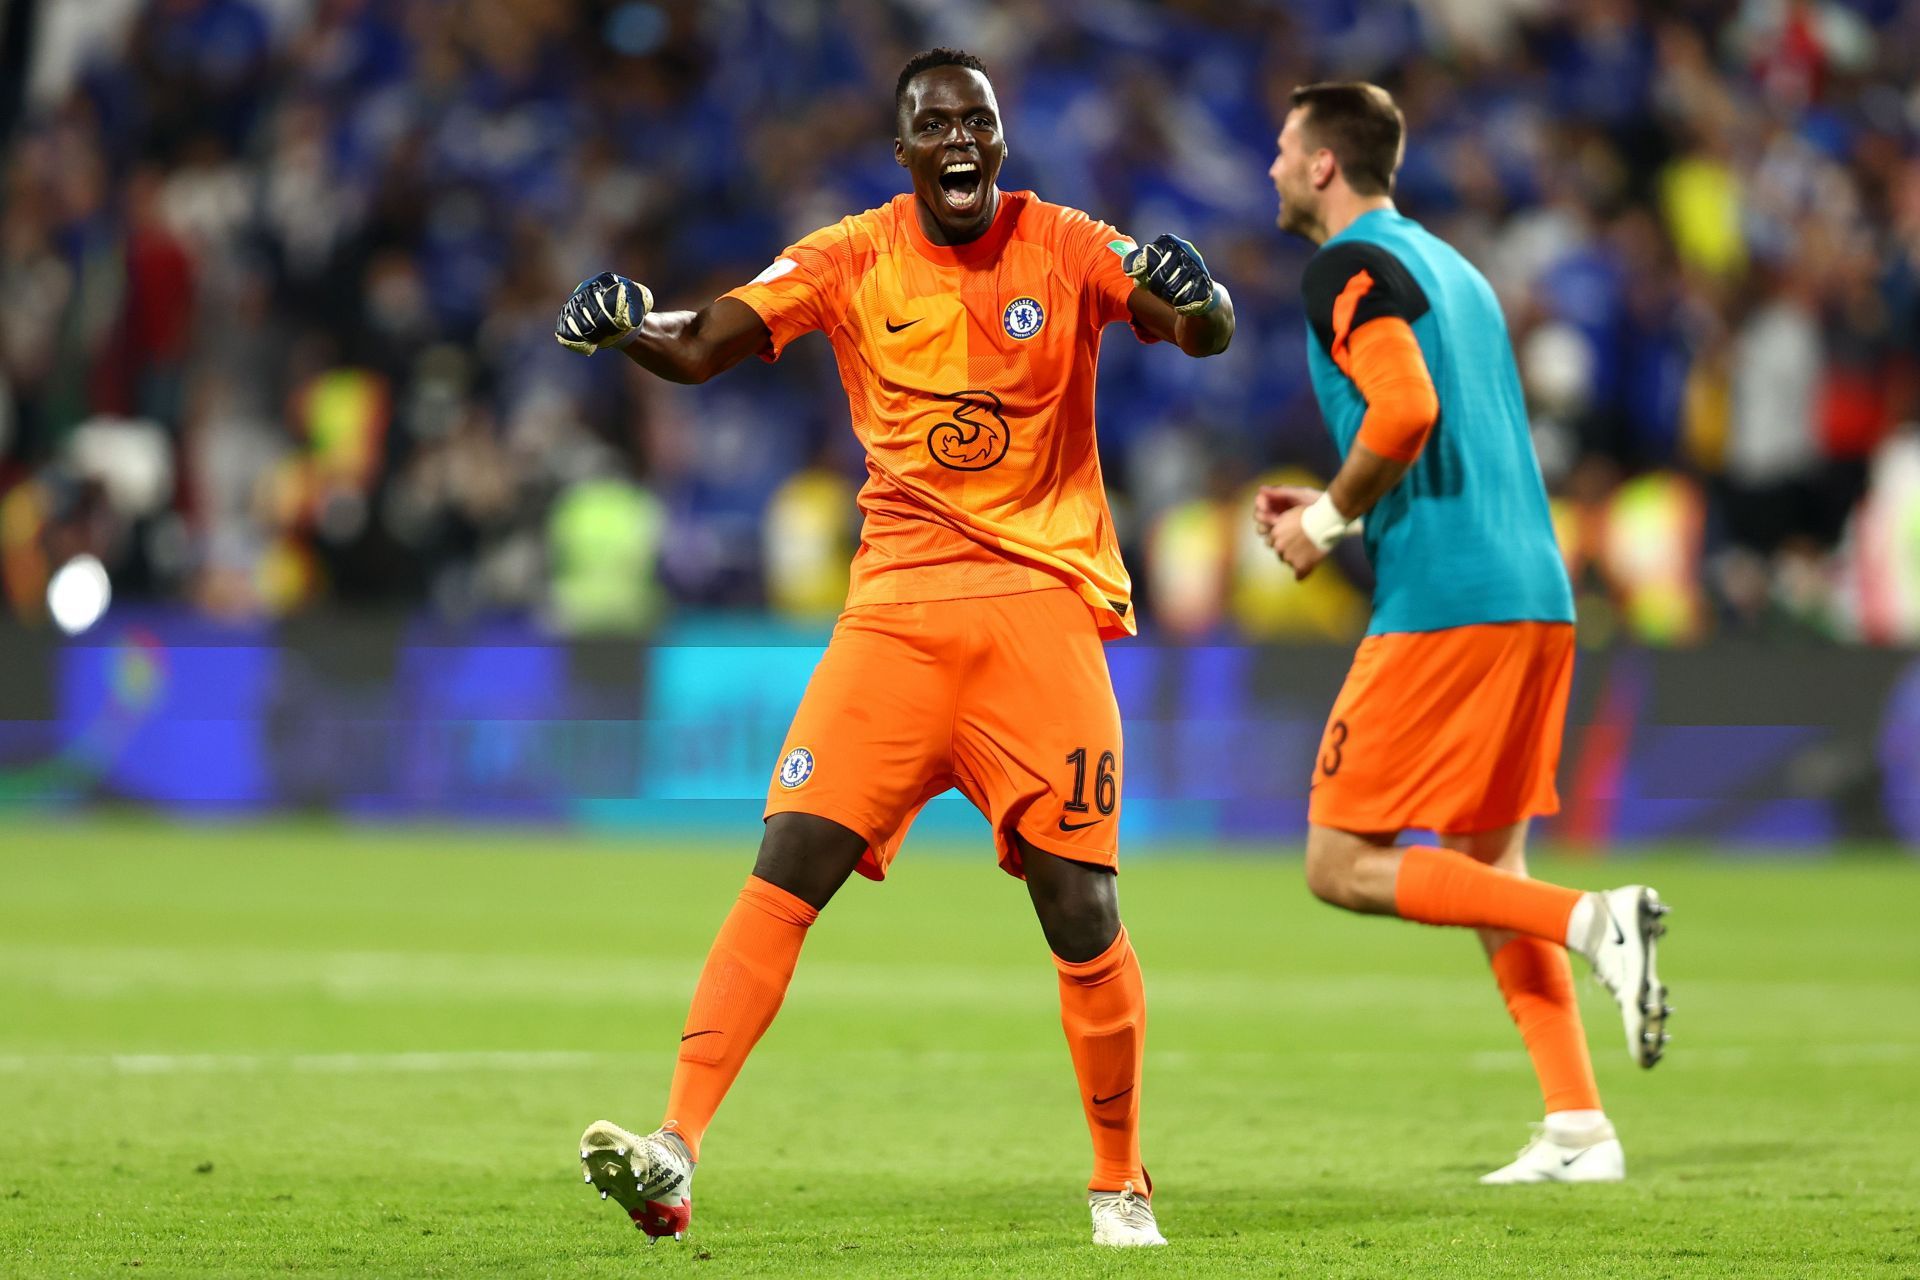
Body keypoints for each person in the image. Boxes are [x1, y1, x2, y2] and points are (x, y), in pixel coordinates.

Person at [555, 48, 1234, 1245]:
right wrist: (627, 326)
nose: (961, 138)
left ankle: (1120, 1180)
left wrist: (1207, 295)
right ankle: (672, 1151)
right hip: (897, 618)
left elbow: (1194, 324)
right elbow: (706, 338)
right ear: (906, 149)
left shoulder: (1067, 241)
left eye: (978, 119)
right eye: (937, 123)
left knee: (1080, 904)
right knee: (786, 859)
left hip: (1039, 611)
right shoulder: (850, 254)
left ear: (1001, 142)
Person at [1257, 82, 1670, 1184]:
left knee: (1340, 862)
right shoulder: (1461, 271)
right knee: (1490, 861)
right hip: (1535, 591)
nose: (1271, 169)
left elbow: (1406, 412)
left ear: (1325, 168)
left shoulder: (1343, 267)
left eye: (1283, 150)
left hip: (1448, 599)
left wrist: (1330, 521)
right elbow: (1445, 430)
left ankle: (1595, 920)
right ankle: (1579, 1125)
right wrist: (1342, 496)